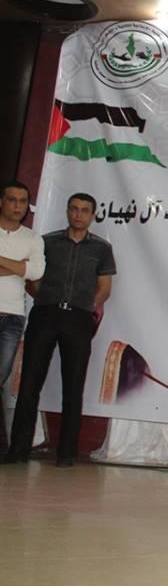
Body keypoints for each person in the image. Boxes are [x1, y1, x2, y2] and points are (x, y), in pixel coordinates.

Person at [3, 193, 116, 467]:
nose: (78, 214)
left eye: (84, 210)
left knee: (73, 386)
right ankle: (18, 450)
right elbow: (34, 279)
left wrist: (86, 309)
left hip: (78, 319)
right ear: (67, 211)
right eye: (74, 209)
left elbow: (104, 289)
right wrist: (46, 299)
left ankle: (66, 453)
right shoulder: (47, 242)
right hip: (45, 315)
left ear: (92, 215)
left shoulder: (101, 248)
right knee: (30, 383)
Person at [0, 181, 46, 453]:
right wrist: (19, 266)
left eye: (22, 201)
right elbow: (26, 269)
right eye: (12, 199)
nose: (17, 206)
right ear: (1, 202)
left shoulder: (32, 238)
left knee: (1, 377)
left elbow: (36, 271)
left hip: (12, 317)